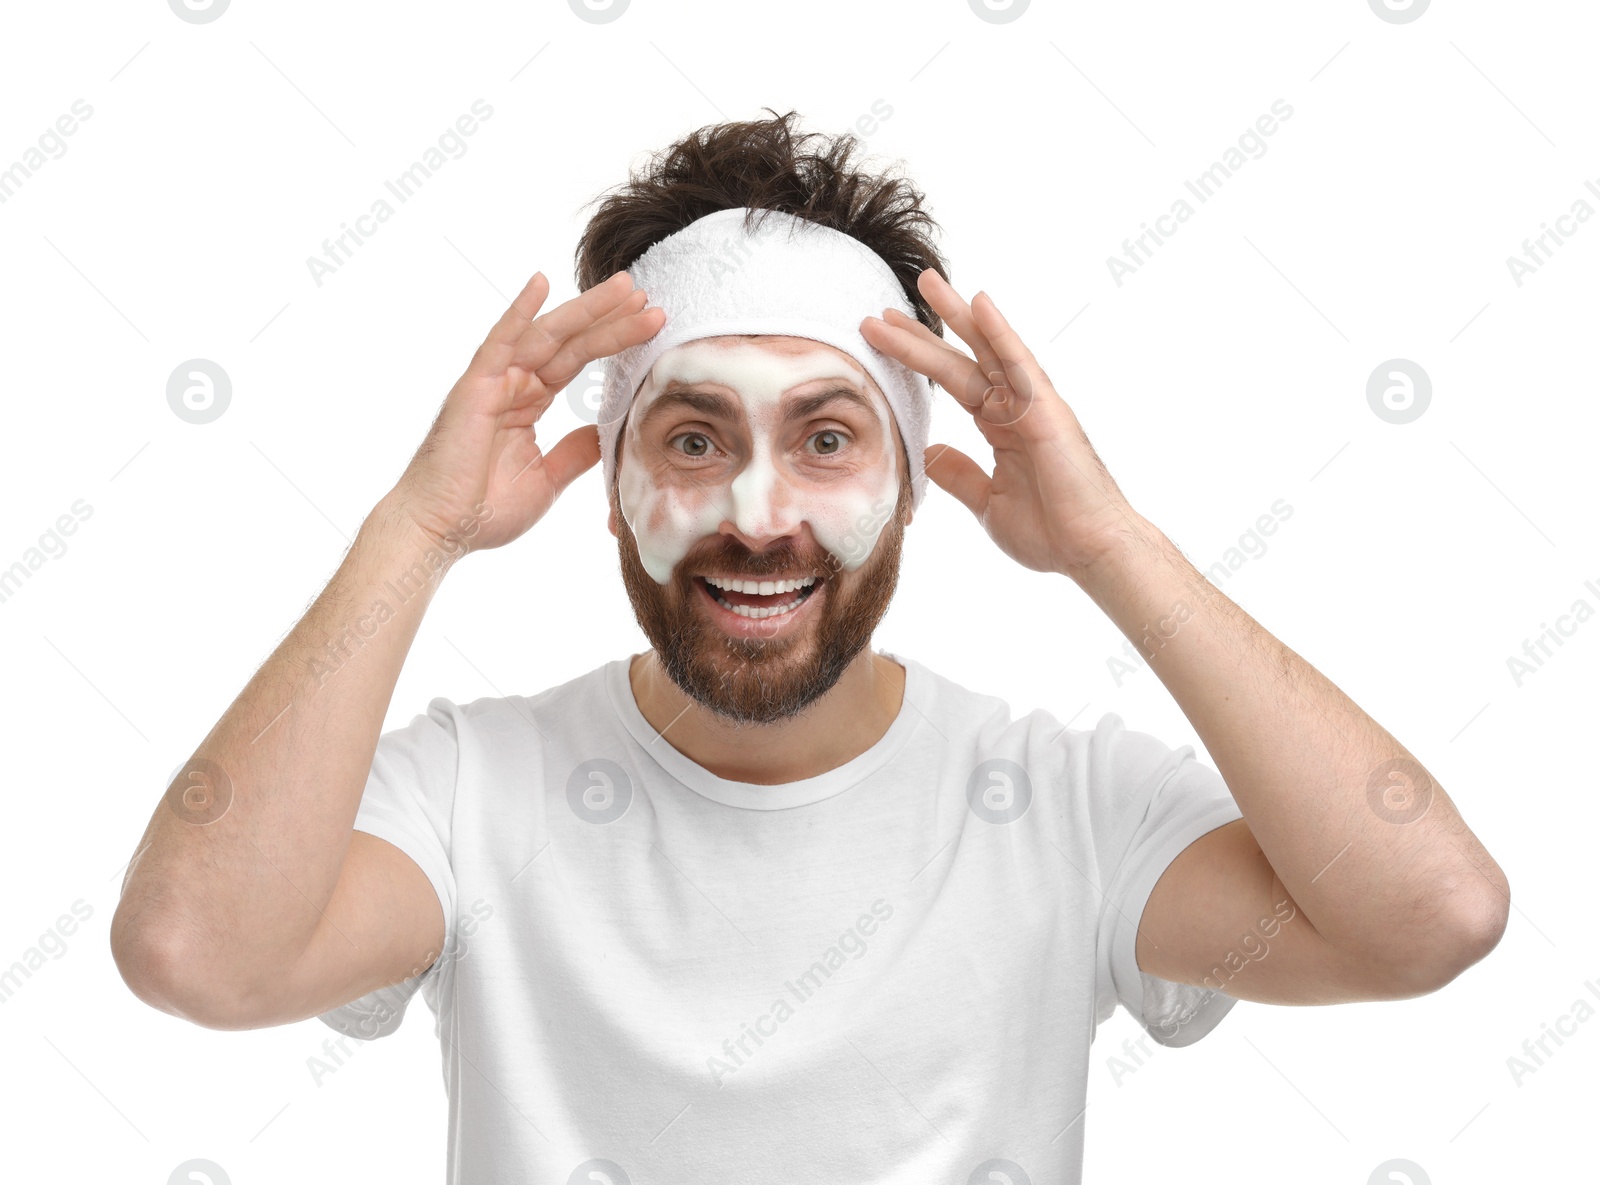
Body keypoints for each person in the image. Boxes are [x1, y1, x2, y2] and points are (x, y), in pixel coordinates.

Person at [110, 110, 1509, 1184]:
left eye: (828, 436)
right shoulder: (477, 796)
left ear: (909, 476)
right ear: (610, 483)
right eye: (695, 437)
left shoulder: (1063, 810)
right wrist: (414, 529)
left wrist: (1112, 547)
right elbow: (195, 954)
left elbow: (1429, 915)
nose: (757, 515)